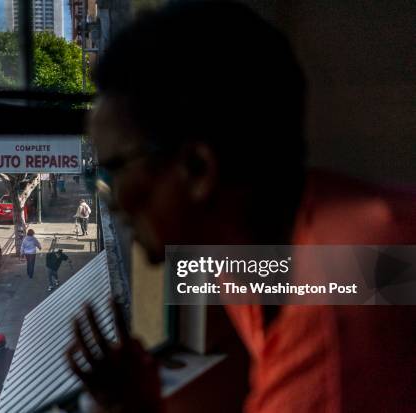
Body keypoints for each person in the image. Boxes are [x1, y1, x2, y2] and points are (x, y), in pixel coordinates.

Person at [66, 2, 416, 413]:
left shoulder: (329, 343)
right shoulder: (262, 250)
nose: (112, 196)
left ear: (198, 169)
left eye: (115, 169)